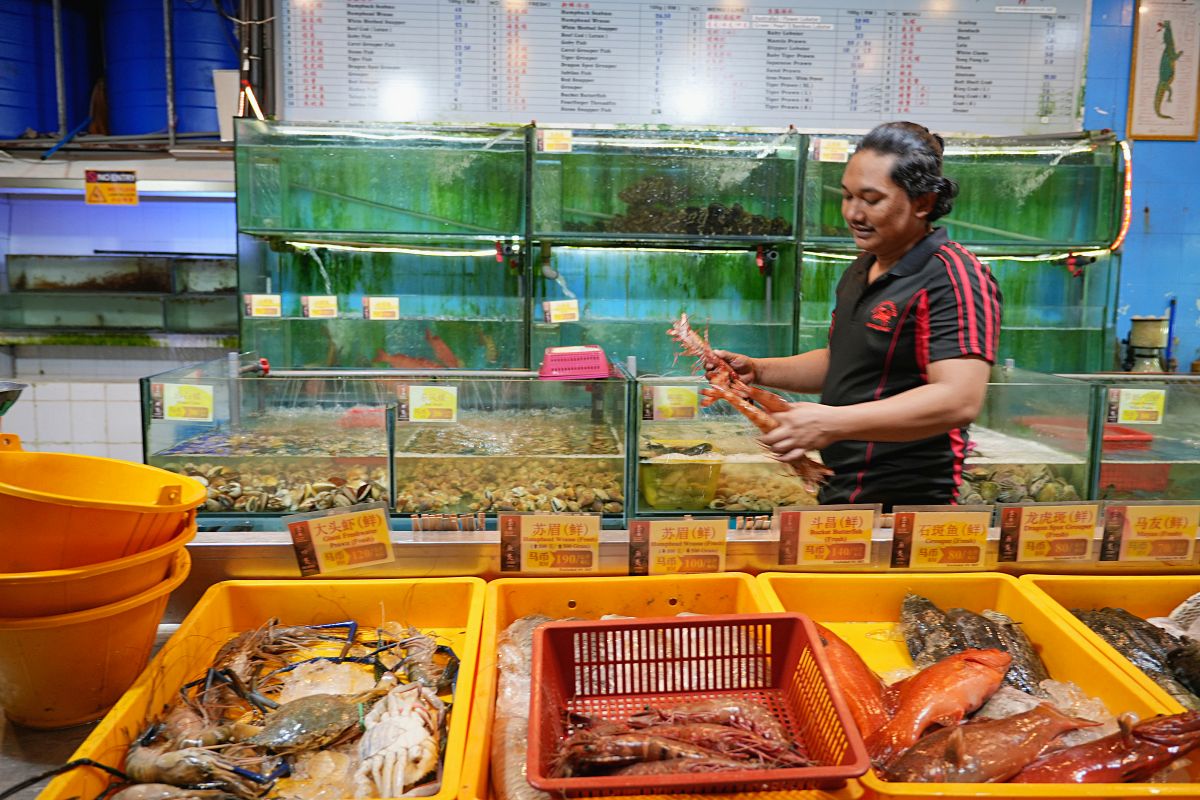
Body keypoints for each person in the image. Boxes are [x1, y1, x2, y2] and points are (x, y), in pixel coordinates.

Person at [711, 121, 1002, 509]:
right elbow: (844, 361)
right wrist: (758, 369)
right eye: (847, 196)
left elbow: (958, 399)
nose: (854, 213)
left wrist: (828, 422)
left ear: (923, 202)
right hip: (844, 488)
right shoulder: (863, 267)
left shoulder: (953, 275)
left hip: (909, 503)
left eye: (871, 199)